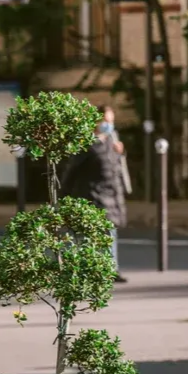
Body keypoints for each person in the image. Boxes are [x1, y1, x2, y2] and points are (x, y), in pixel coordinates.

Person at [61, 105, 128, 282]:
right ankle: (87, 270)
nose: (109, 124)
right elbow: (71, 171)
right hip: (90, 196)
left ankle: (111, 269)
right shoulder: (86, 144)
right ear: (96, 121)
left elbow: (116, 171)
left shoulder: (111, 143)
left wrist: (120, 153)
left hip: (110, 196)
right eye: (106, 120)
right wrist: (64, 195)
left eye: (111, 121)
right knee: (88, 236)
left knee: (109, 233)